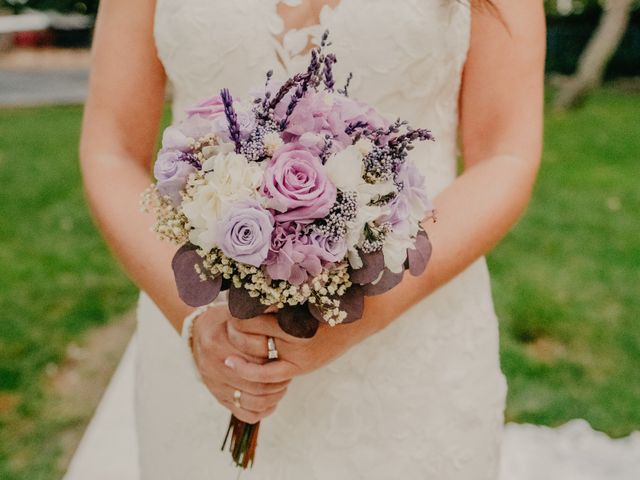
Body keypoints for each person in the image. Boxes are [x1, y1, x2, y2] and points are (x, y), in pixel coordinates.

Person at [79, 0, 545, 478]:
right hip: (208, 345)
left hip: (411, 337)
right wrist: (197, 321)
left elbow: (505, 154)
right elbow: (111, 149)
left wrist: (358, 317)